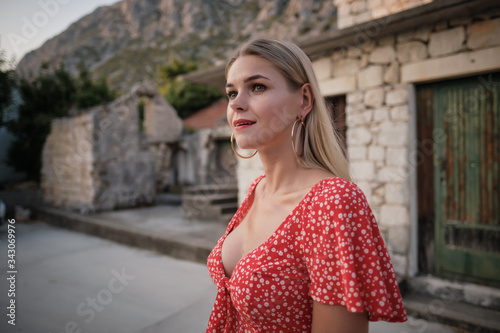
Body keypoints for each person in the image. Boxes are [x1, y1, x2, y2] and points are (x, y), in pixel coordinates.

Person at [206, 36, 407, 333]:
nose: (236, 103)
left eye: (257, 87)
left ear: (304, 100)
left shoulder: (332, 201)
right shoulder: (256, 190)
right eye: (231, 92)